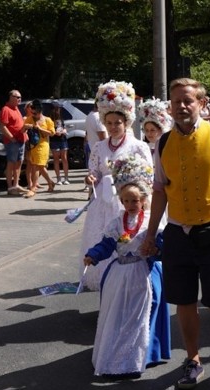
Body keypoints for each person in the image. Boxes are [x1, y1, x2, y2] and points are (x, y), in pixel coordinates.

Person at [140, 77, 210, 390]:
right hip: (178, 231)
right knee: (185, 300)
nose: (181, 106)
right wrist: (151, 234)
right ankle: (193, 360)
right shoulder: (162, 142)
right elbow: (160, 191)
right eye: (176, 101)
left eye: (188, 100)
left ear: (202, 104)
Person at [84, 154, 168, 379]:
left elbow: (161, 245)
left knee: (143, 311)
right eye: (126, 201)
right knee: (119, 311)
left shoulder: (152, 222)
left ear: (143, 200)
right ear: (121, 201)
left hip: (142, 272)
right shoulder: (116, 223)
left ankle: (142, 353)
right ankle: (116, 348)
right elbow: (107, 244)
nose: (131, 205)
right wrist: (93, 255)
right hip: (119, 273)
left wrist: (157, 249)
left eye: (135, 200)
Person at [79, 81, 152, 291]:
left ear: (126, 122)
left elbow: (148, 175)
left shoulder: (138, 146)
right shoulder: (99, 147)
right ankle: (107, 287)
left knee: (127, 244)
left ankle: (131, 286)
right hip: (103, 201)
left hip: (127, 202)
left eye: (117, 122)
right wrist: (91, 178)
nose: (112, 127)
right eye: (109, 123)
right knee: (105, 241)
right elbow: (94, 170)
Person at [23, 100, 57, 198]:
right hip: (33, 146)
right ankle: (50, 182)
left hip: (43, 145)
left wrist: (39, 128)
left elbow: (52, 133)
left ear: (40, 111)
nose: (33, 114)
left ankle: (33, 188)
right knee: (40, 166)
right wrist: (26, 126)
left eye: (35, 112)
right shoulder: (29, 119)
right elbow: (22, 130)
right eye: (32, 112)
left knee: (36, 166)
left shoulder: (47, 120)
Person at [0, 89, 28, 196]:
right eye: (17, 97)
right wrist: (12, 138)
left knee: (19, 162)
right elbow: (3, 127)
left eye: (20, 97)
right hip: (13, 142)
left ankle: (16, 184)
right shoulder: (6, 109)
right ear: (11, 97)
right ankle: (10, 187)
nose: (19, 99)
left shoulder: (16, 109)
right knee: (11, 163)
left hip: (21, 140)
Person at [84, 100, 108, 191]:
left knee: (92, 173)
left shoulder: (90, 115)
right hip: (101, 151)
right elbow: (103, 136)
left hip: (92, 148)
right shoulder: (98, 117)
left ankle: (91, 193)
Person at [50, 101, 70, 185]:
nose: (59, 110)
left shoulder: (61, 118)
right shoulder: (49, 119)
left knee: (64, 158)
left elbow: (63, 126)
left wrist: (64, 130)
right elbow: (49, 131)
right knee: (56, 159)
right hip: (54, 140)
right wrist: (54, 132)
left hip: (63, 139)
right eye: (57, 108)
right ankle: (58, 178)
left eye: (59, 108)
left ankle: (66, 178)